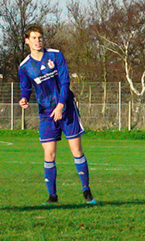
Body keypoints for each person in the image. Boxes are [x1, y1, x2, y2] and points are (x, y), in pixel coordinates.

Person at [18, 26, 95, 205]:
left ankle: (87, 191)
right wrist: (23, 98)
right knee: (49, 154)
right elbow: (25, 87)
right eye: (34, 38)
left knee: (76, 150)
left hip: (66, 108)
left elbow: (65, 80)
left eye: (40, 38)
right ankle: (52, 196)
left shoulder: (55, 55)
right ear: (27, 41)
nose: (38, 41)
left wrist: (61, 105)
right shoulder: (24, 67)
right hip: (46, 113)